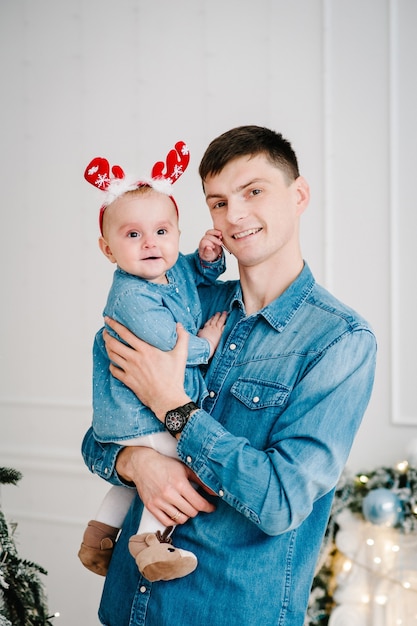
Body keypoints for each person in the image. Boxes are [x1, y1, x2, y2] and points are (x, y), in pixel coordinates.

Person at [82, 125, 377, 626]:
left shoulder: (340, 340)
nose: (234, 215)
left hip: (225, 611)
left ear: (299, 194)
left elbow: (281, 502)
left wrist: (175, 409)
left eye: (253, 192)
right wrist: (138, 463)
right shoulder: (178, 305)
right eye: (218, 202)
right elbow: (98, 438)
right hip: (128, 606)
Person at [78, 143, 227, 582]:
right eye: (133, 235)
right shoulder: (130, 297)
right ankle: (150, 544)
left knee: (140, 470)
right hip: (138, 411)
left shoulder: (170, 267)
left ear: (177, 235)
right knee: (176, 466)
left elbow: (194, 275)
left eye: (162, 231)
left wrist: (206, 259)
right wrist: (207, 344)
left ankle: (100, 538)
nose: (150, 244)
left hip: (137, 415)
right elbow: (169, 351)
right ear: (108, 249)